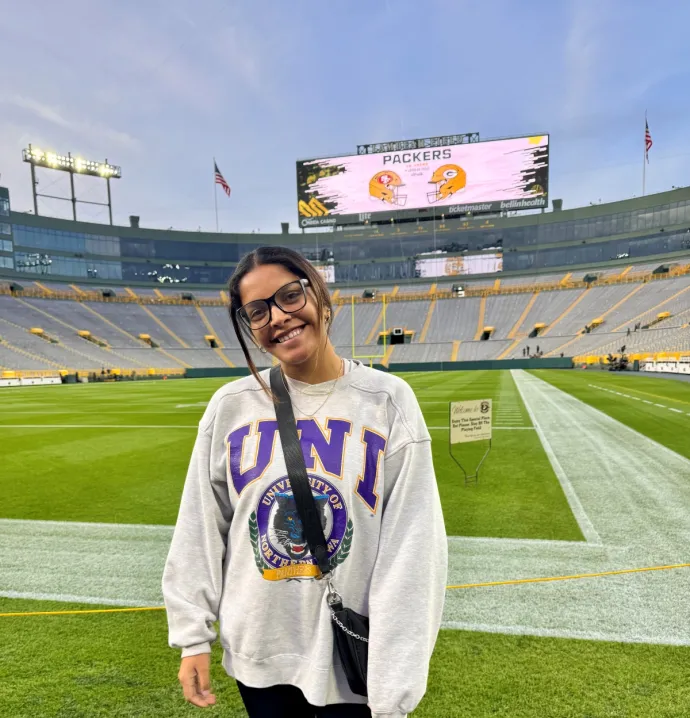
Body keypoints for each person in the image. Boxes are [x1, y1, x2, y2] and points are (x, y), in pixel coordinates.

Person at [162, 246, 448, 718]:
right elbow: (199, 524)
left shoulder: (388, 402)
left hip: (352, 655)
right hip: (260, 652)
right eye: (257, 311)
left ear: (317, 294)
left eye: (289, 296)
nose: (278, 317)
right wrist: (192, 635)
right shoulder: (230, 407)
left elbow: (414, 549)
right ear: (249, 328)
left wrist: (396, 677)